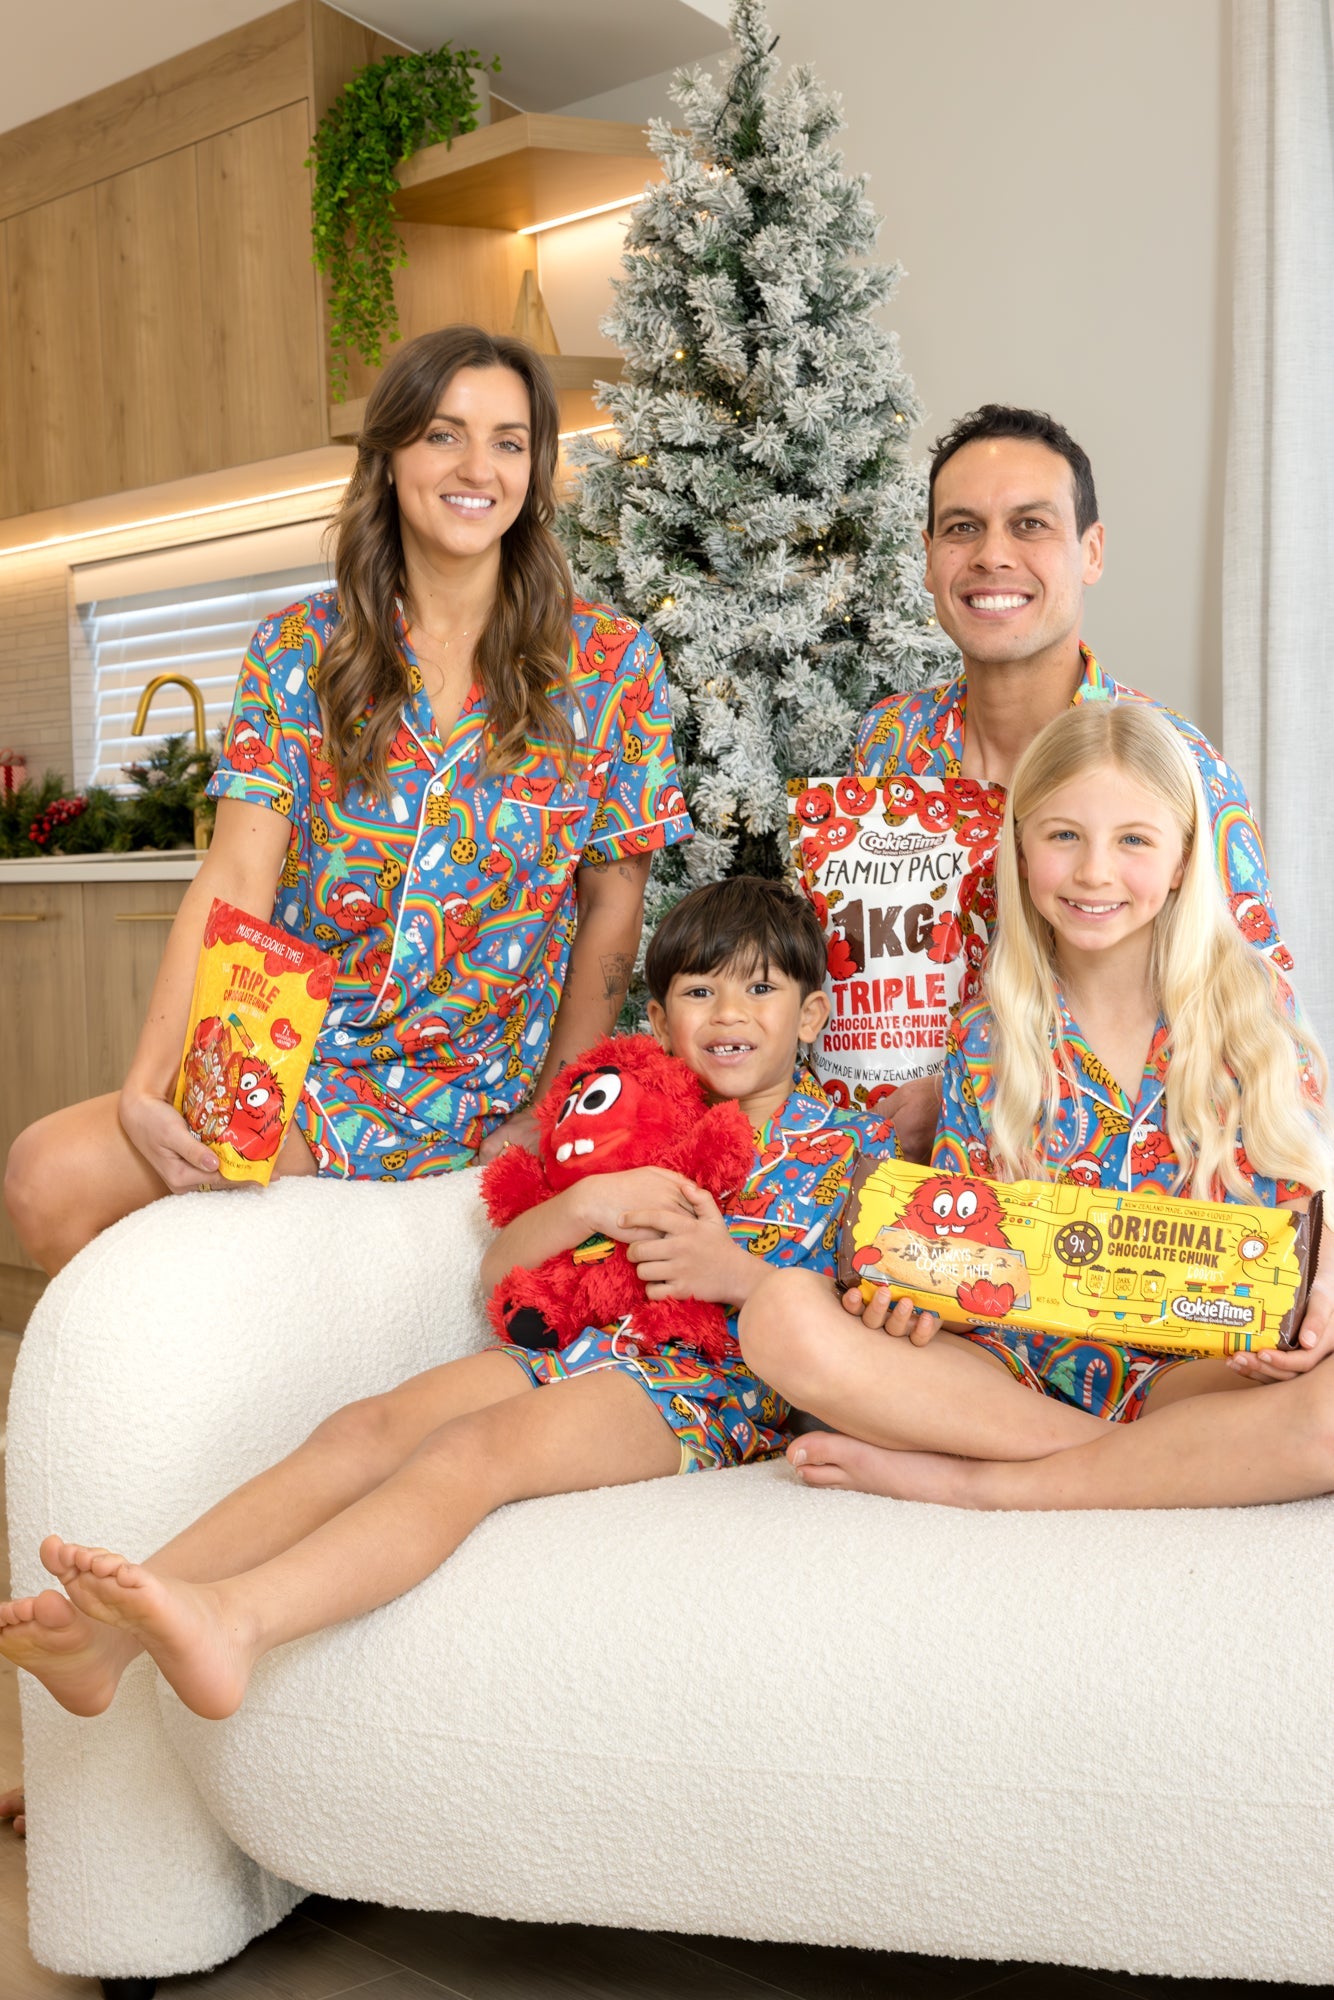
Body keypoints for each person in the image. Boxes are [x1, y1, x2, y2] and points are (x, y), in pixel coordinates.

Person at [0, 877, 897, 1721]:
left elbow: (861, 1326)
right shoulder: (624, 1127)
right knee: (364, 1427)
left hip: (704, 1394)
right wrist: (588, 1201)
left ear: (812, 1014)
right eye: (701, 992)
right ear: (659, 1020)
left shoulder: (855, 1151)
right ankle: (110, 1640)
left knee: (470, 1451)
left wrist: (735, 1272)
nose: (730, 1013)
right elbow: (501, 1270)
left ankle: (238, 1623)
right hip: (572, 1351)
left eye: (761, 989)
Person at [4, 326, 691, 1275]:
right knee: (41, 1176)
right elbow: (235, 876)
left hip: (476, 1079)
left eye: (508, 442)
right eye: (444, 434)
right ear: (391, 454)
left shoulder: (611, 665)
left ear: (534, 471)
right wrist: (146, 1083)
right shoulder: (298, 650)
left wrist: (551, 1109)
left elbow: (613, 908)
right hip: (293, 1055)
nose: (477, 468)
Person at [739, 702, 1334, 1508]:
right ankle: (1156, 1464)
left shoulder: (1253, 1012)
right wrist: (916, 1303)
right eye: (1064, 836)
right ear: (1020, 853)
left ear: (1183, 859)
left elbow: (1308, 1216)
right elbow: (958, 1251)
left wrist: (1322, 1300)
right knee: (780, 1315)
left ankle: (985, 1485)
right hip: (1014, 1377)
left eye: (1134, 840)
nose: (1094, 872)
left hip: (1201, 1375)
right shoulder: (985, 1034)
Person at [856, 404, 1286, 1163]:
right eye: (962, 528)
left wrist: (972, 1093)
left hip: (1093, 1192)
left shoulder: (1179, 765)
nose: (992, 555)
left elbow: (1255, 1018)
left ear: (1091, 551)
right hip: (886, 1175)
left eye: (1030, 525)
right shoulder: (886, 743)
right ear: (928, 557)